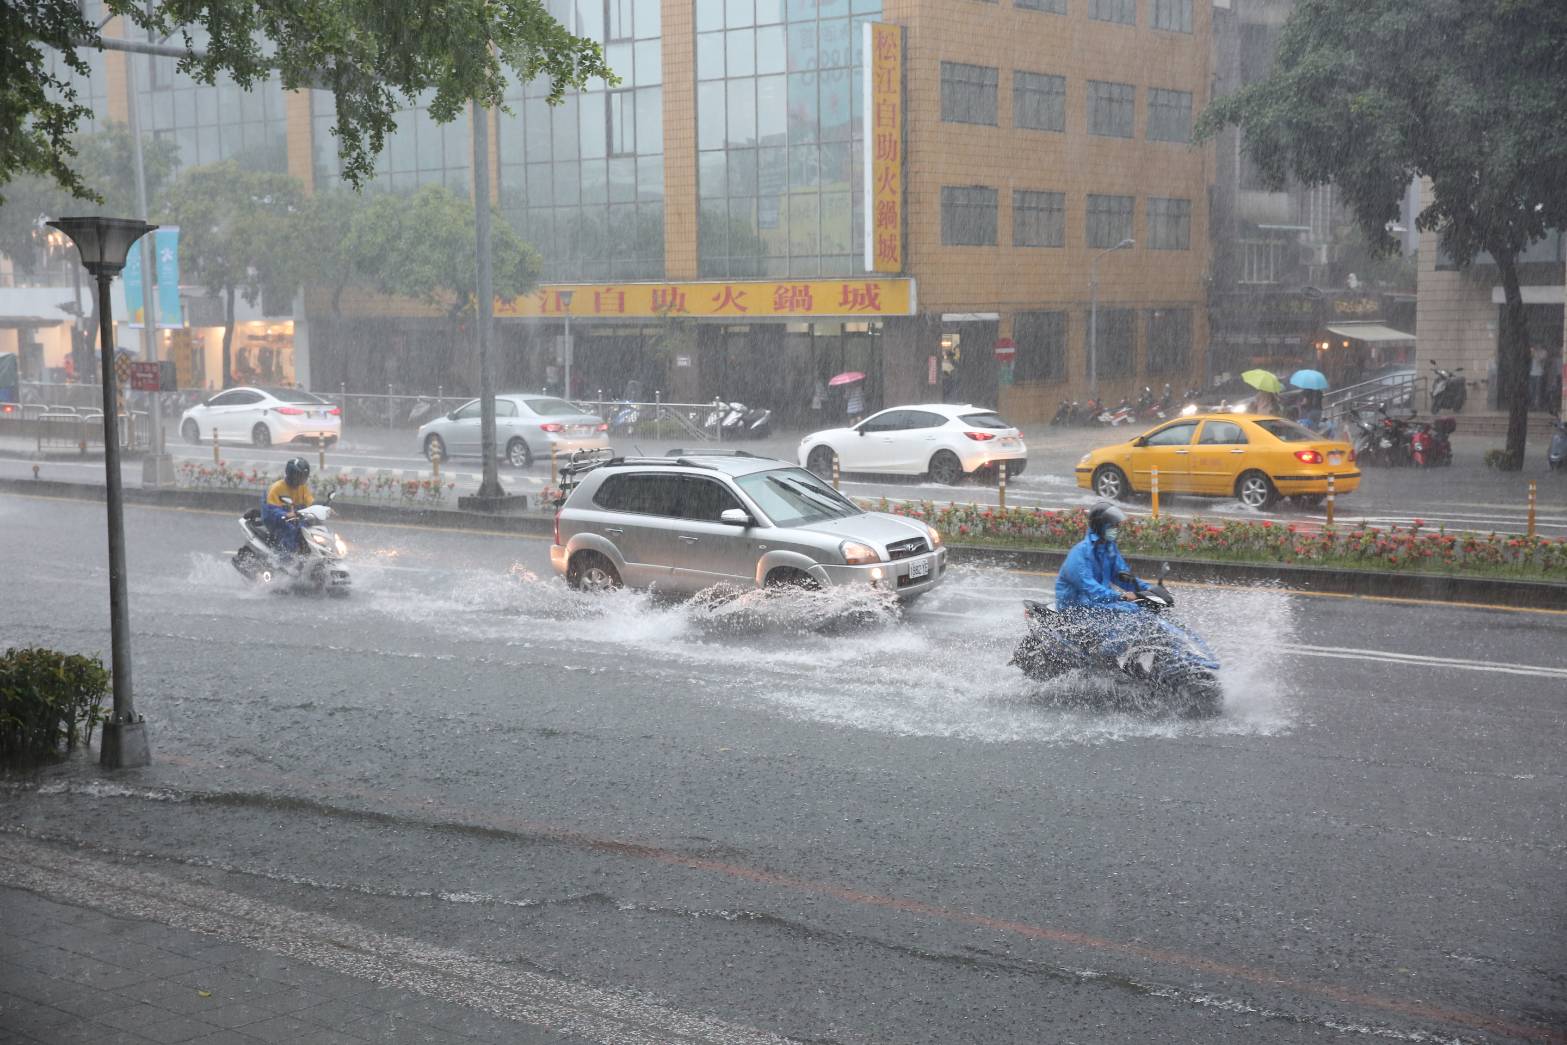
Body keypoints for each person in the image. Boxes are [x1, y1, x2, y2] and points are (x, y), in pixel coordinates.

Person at [1055, 502, 1148, 612]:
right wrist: (1120, 596)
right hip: (1076, 610)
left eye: (1117, 525)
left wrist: (1149, 591)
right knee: (1129, 616)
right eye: (1113, 525)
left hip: (1098, 604)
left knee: (1141, 611)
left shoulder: (1108, 549)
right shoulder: (1080, 553)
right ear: (1100, 526)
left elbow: (1123, 577)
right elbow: (1090, 588)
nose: (1116, 528)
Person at [262, 457, 314, 556]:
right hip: (275, 518)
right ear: (291, 474)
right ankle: (285, 560)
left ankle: (304, 557)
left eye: (304, 476)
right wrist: (285, 514)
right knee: (290, 530)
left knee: (308, 530)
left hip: (294, 516)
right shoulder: (276, 488)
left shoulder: (302, 488)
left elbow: (310, 504)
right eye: (300, 476)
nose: (302, 479)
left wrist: (324, 509)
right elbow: (271, 510)